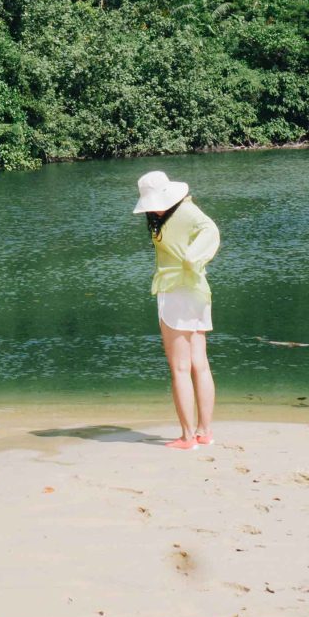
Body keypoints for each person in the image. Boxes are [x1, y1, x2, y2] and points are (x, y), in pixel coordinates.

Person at [133, 168, 220, 451]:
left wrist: (192, 259)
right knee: (200, 365)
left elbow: (211, 230)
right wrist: (195, 261)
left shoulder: (183, 212)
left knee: (180, 368)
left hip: (176, 293)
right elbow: (209, 230)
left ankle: (187, 437)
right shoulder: (182, 210)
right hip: (196, 290)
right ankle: (204, 432)